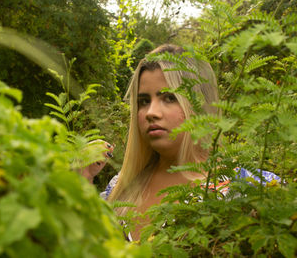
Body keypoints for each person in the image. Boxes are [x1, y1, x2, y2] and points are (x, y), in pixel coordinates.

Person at [81, 44, 279, 241]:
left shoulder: (253, 188)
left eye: (169, 97)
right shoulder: (120, 188)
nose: (151, 112)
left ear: (200, 104)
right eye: (143, 101)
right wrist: (83, 178)